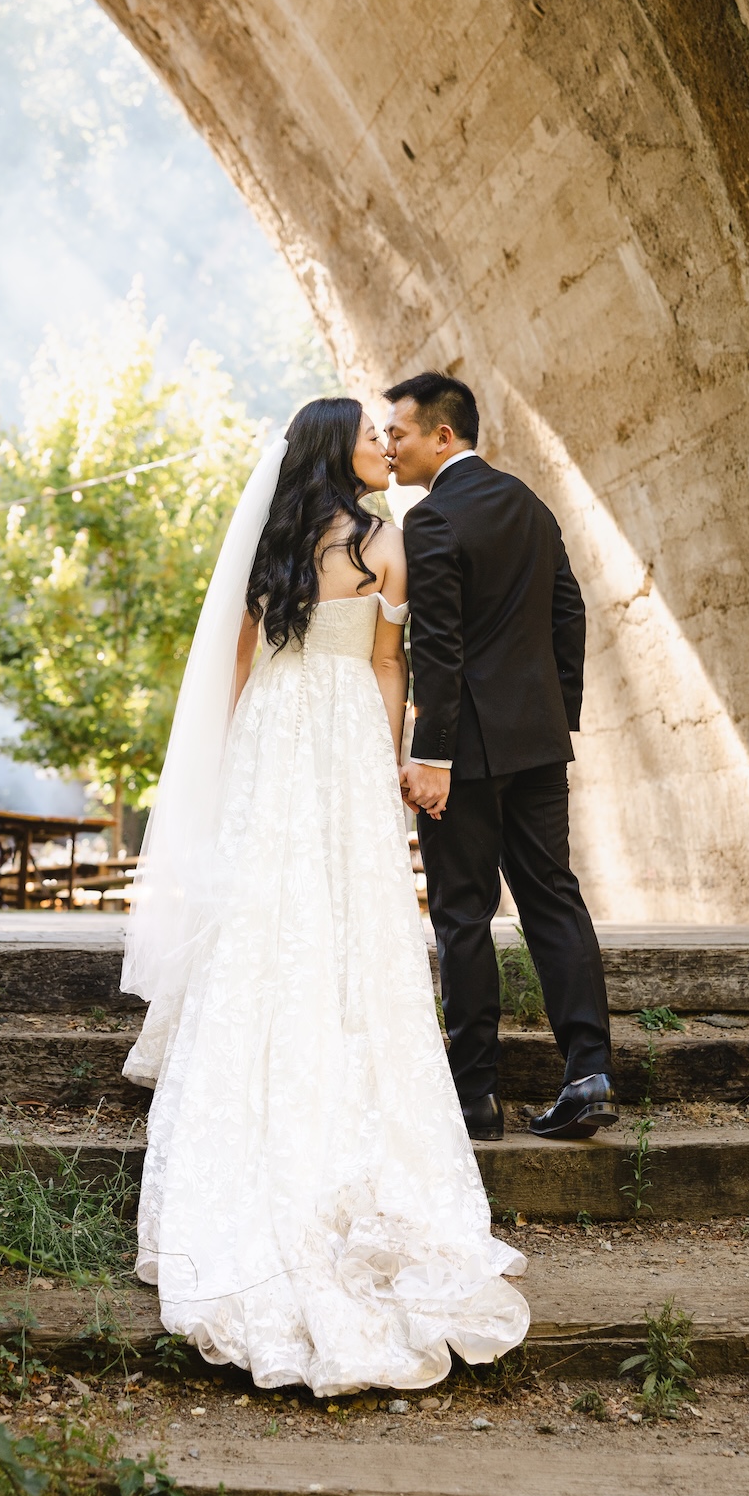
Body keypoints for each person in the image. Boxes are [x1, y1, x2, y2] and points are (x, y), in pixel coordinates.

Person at [121, 397, 528, 1395]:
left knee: (262, 907)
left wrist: (220, 760)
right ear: (335, 452)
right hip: (343, 729)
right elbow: (392, 663)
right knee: (348, 914)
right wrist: (386, 758)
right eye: (370, 436)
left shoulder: (273, 543)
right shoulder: (385, 543)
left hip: (271, 730)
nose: (384, 447)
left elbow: (241, 660)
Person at [385, 373, 615, 1144]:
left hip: (466, 757)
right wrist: (558, 715)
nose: (391, 446)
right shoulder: (529, 503)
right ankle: (588, 1073)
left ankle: (476, 1097)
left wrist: (432, 757)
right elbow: (568, 612)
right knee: (553, 897)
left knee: (462, 916)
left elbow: (437, 649)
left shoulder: (432, 519)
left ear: (443, 436)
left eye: (401, 433)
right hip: (539, 745)